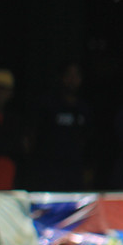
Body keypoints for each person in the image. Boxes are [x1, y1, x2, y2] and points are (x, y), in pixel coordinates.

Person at [26, 61, 93, 192]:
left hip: (74, 173)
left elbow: (89, 142)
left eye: (76, 75)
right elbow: (32, 136)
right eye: (69, 75)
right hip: (49, 173)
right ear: (61, 77)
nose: (72, 80)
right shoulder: (47, 105)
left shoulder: (84, 109)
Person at [0, 68, 28, 190]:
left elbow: (20, 147)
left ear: (11, 92)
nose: (0, 93)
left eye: (4, 89)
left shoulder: (15, 119)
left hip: (9, 176)